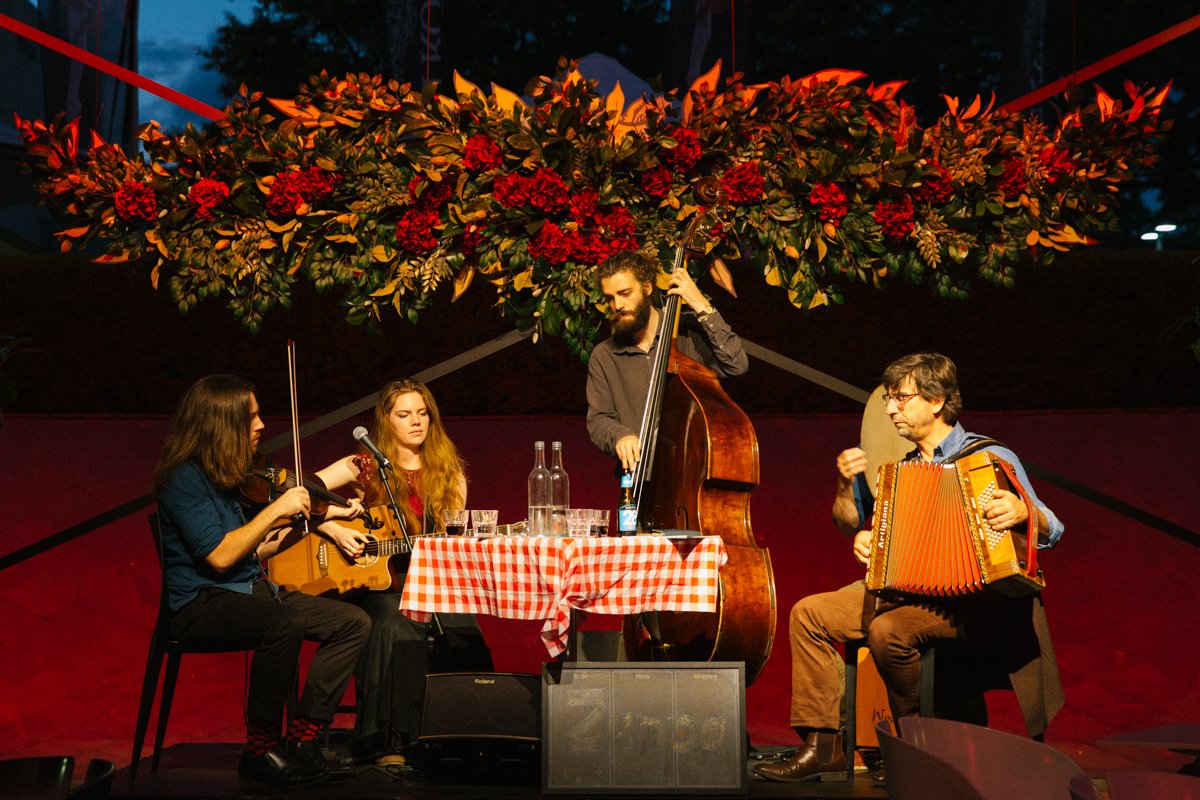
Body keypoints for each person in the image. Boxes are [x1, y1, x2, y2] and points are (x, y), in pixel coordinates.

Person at [754, 353, 1065, 783]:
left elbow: (1054, 528)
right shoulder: (899, 472)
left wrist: (1022, 510)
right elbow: (858, 528)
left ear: (937, 401)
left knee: (888, 632)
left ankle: (915, 743)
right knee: (810, 613)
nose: (890, 409)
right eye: (889, 399)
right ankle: (822, 746)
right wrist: (867, 536)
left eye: (901, 398)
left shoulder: (989, 456)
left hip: (976, 604)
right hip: (904, 592)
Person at [153, 375, 370, 788]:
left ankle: (304, 738)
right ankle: (259, 748)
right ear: (222, 423)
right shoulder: (183, 478)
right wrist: (277, 510)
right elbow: (219, 556)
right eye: (250, 417)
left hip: (248, 590)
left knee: (352, 623)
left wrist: (313, 522)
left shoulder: (228, 474)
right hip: (200, 603)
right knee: (281, 622)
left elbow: (254, 551)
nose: (260, 425)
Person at [315, 378, 493, 761]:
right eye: (404, 414)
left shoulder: (449, 472)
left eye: (422, 413)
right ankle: (390, 744)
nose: (416, 421)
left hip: (429, 586)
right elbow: (300, 495)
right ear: (386, 420)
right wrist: (333, 525)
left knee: (464, 628)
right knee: (396, 620)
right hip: (374, 587)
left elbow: (450, 542)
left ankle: (461, 740)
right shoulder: (361, 466)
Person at [586, 250, 748, 470]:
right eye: (610, 298)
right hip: (639, 481)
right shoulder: (604, 355)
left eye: (625, 293)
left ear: (647, 287)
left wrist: (702, 306)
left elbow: (736, 365)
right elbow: (598, 420)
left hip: (694, 471)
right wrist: (620, 436)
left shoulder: (690, 332)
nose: (617, 305)